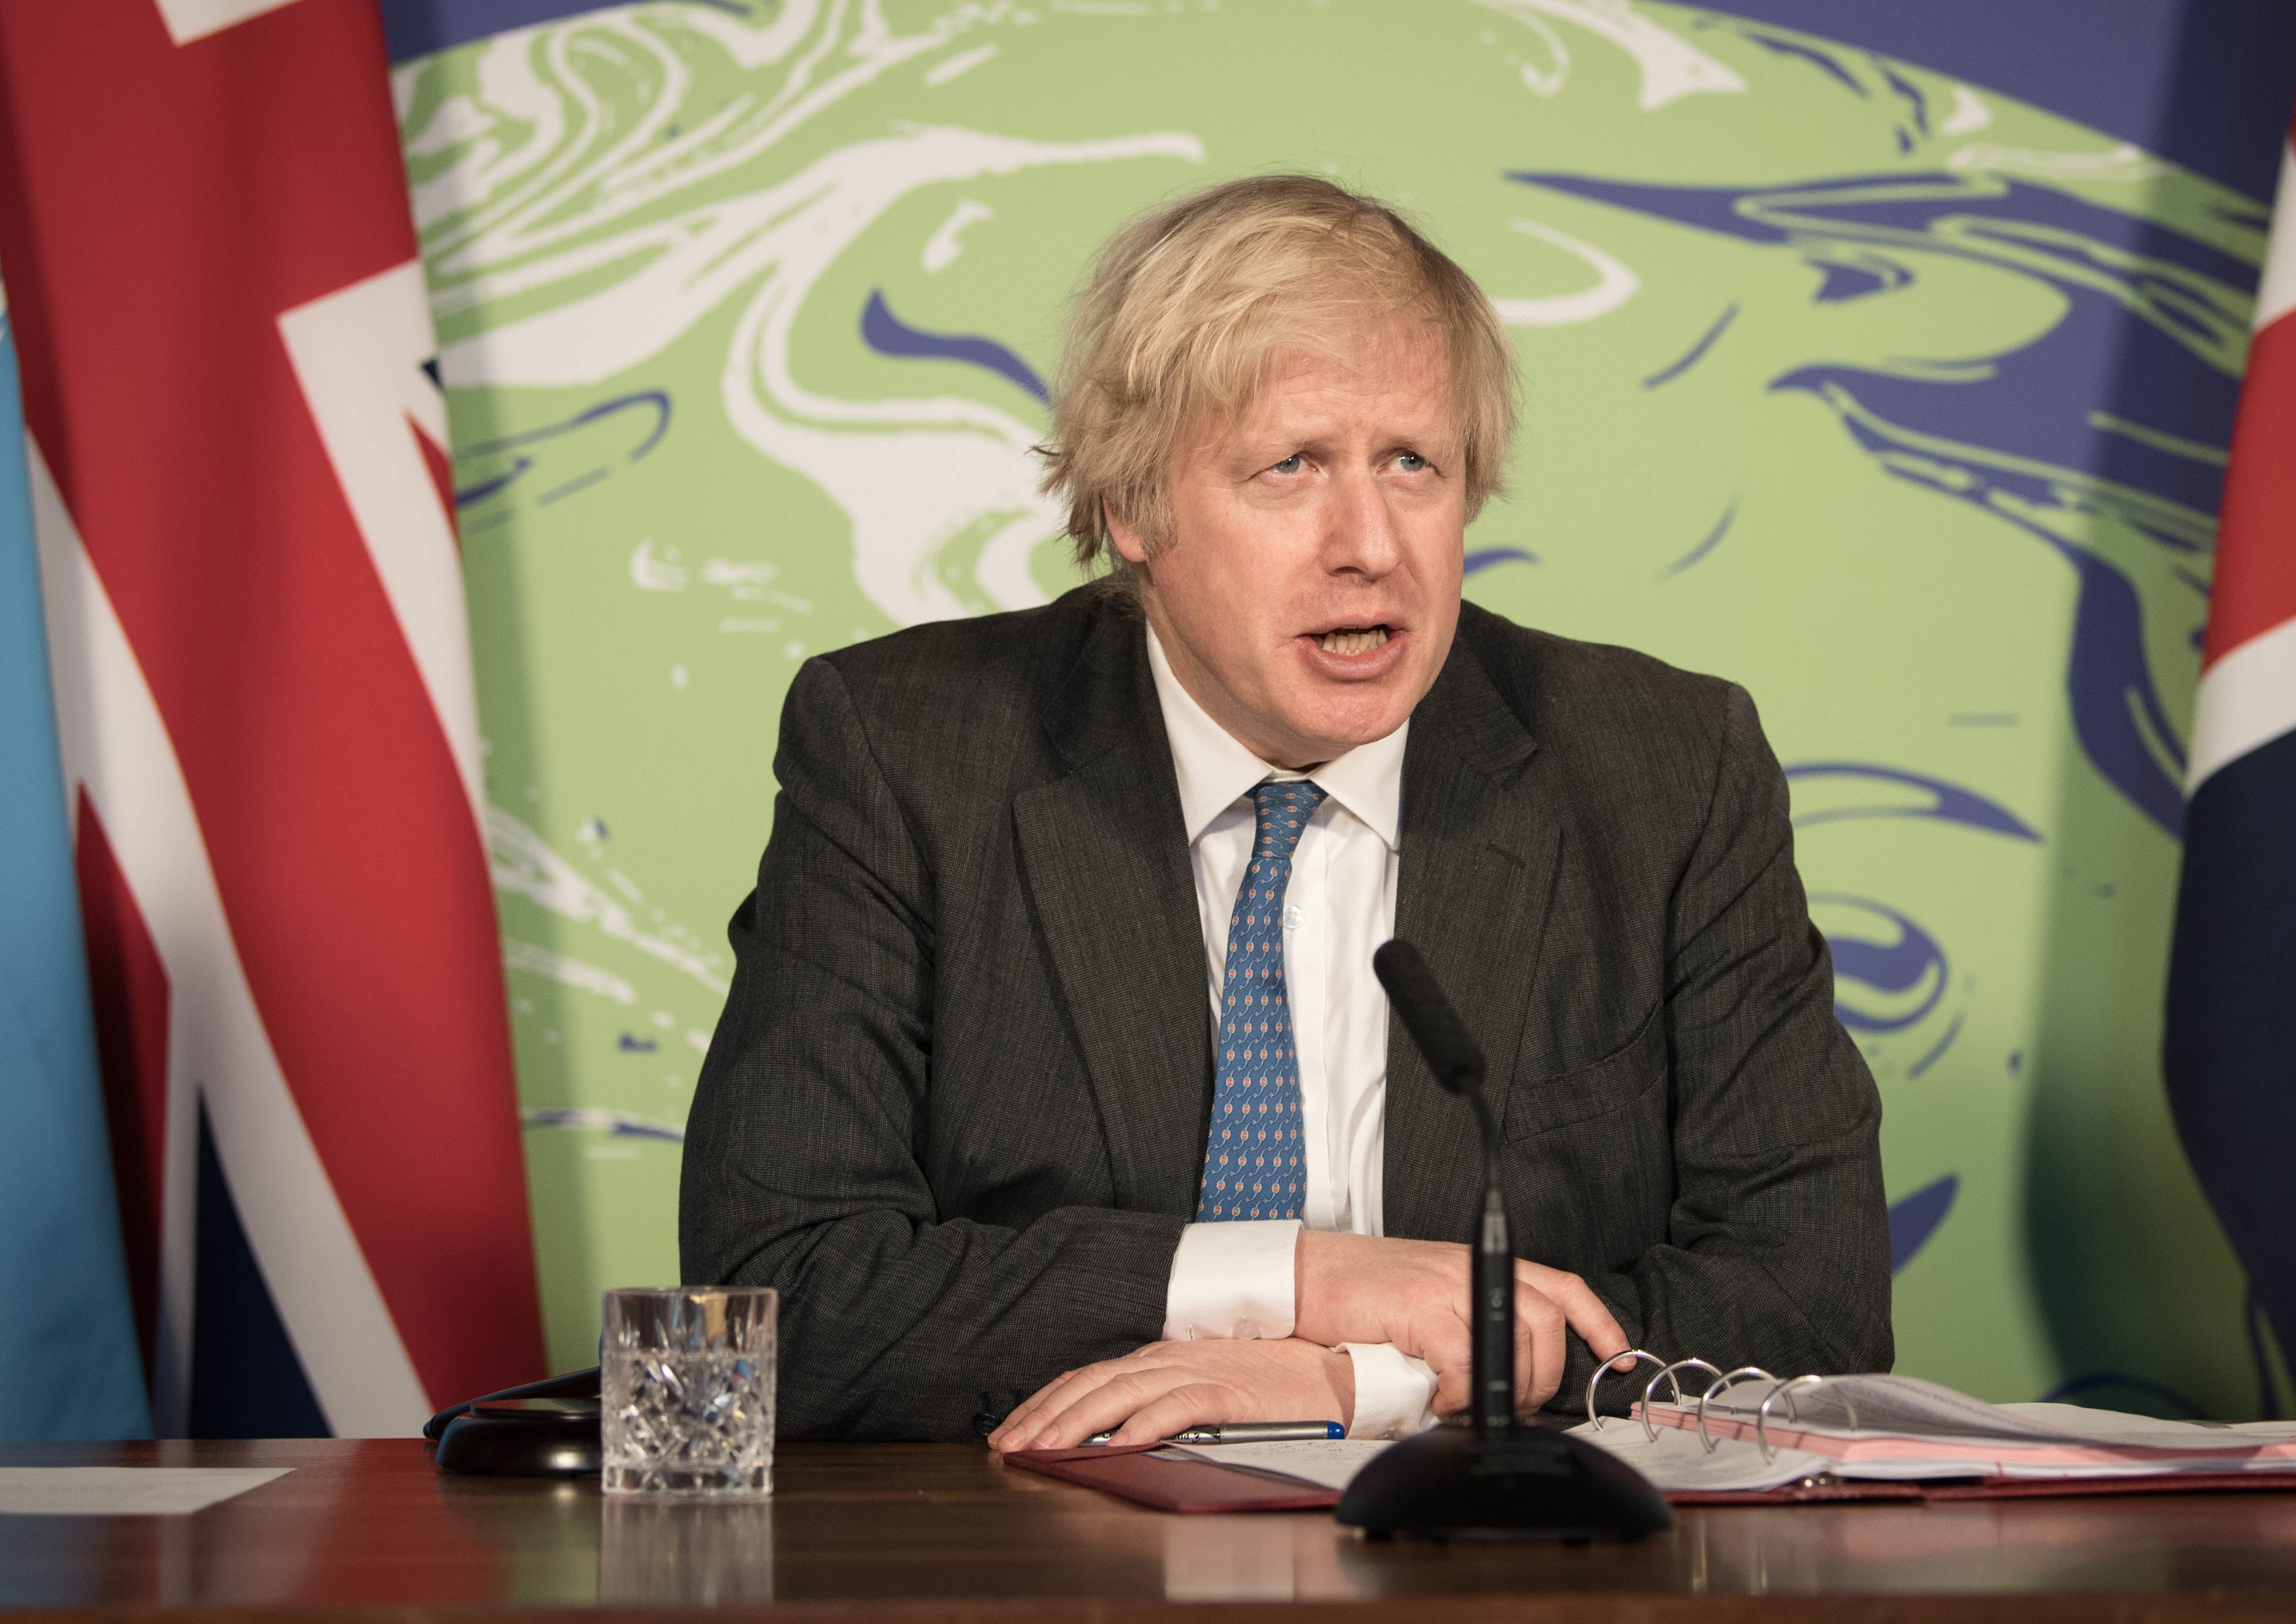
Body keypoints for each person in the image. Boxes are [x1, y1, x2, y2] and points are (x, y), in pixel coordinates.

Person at [679, 174, 1891, 1445]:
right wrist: (1300, 1280)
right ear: (1131, 509)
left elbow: (1813, 1297)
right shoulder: (911, 753)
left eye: (1412, 463)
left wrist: (1374, 1379)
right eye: (1290, 467)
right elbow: (777, 1295)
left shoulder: (1660, 772)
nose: (1368, 542)